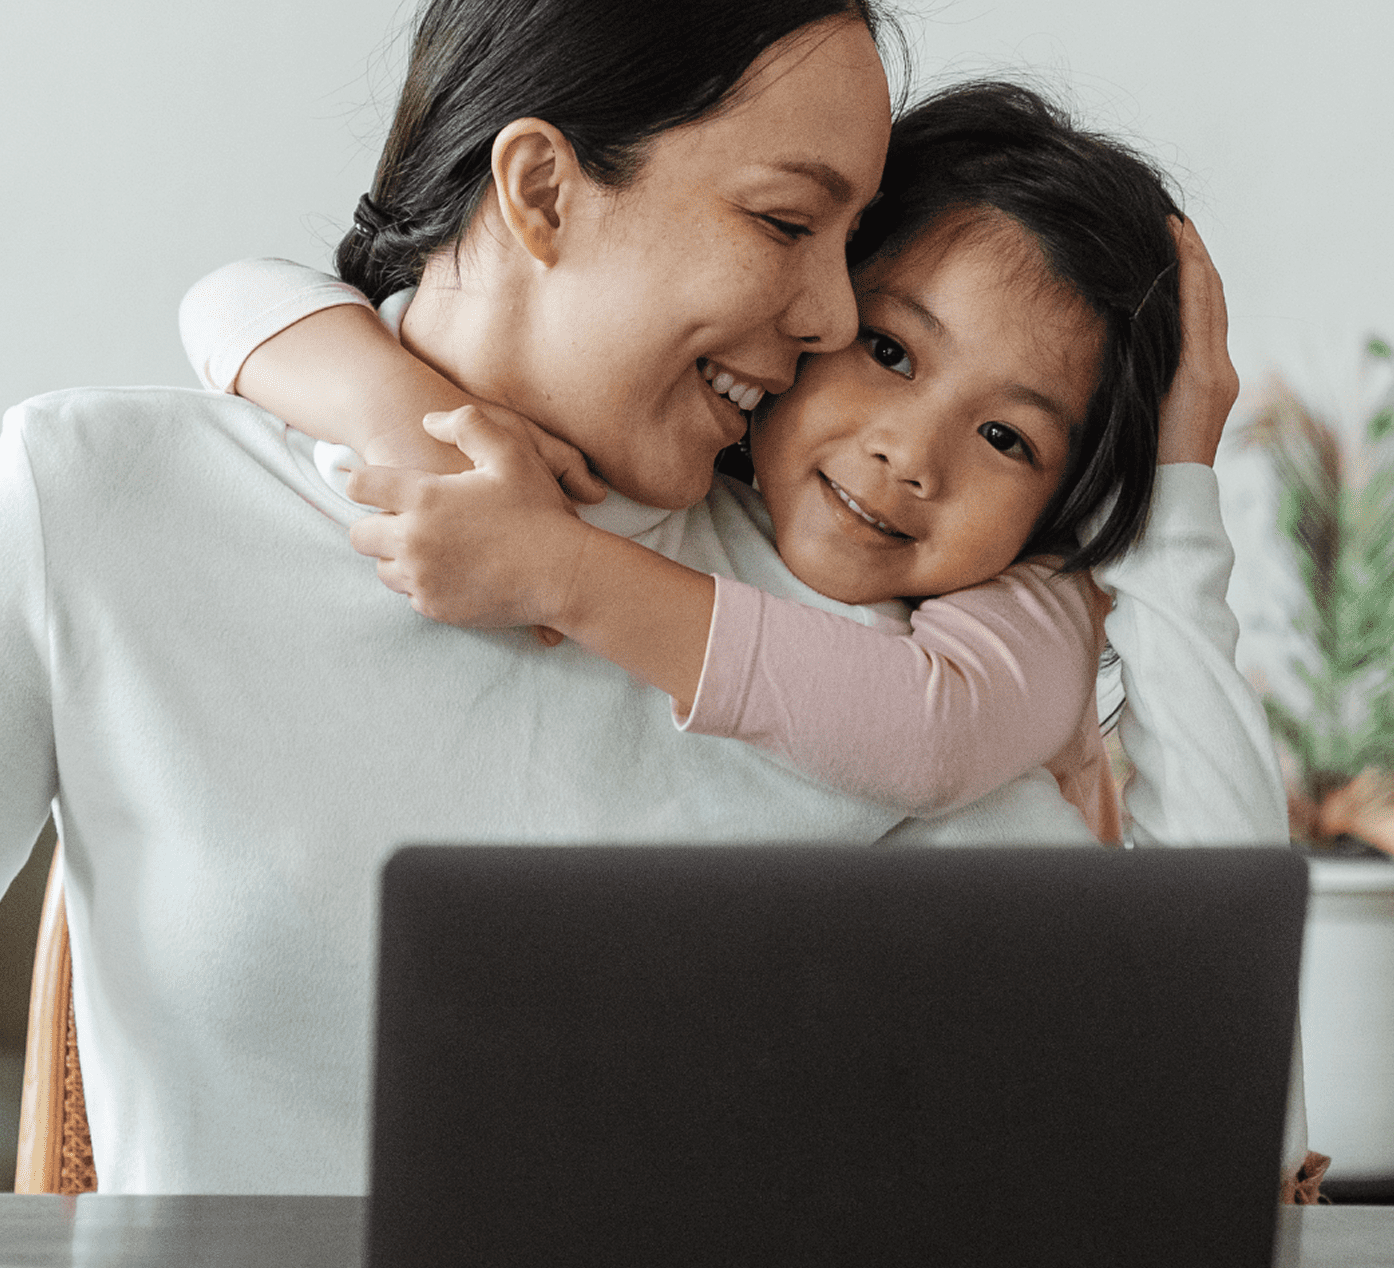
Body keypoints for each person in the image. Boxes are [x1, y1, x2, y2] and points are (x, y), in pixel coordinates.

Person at [0, 0, 1290, 1219]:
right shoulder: (96, 502)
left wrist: (1162, 500)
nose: (827, 317)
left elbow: (1212, 1116)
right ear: (541, 187)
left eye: (849, 244)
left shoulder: (861, 630)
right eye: (782, 223)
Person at [178, 81, 1231, 839]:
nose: (911, 456)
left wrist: (559, 570)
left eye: (1009, 439)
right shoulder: (676, 478)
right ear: (814, 314)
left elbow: (935, 734)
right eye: (891, 350)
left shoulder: (1030, 600)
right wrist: (409, 420)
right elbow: (230, 296)